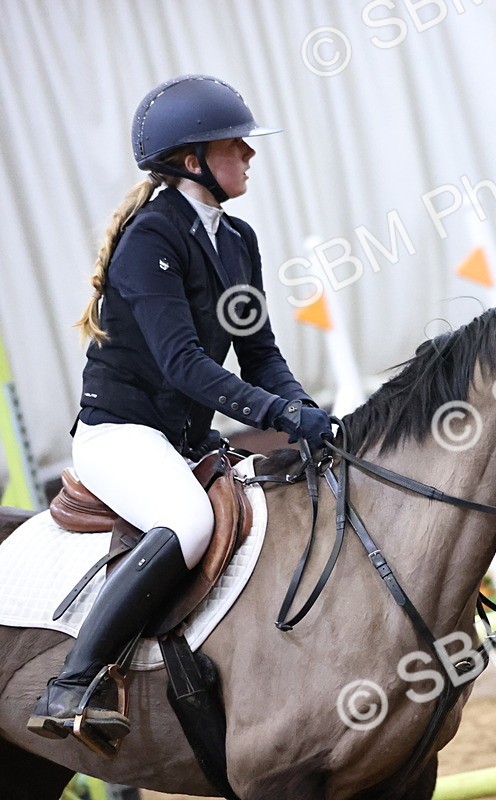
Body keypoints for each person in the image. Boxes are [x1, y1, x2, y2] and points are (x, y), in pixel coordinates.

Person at [27, 74, 332, 742]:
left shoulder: (237, 240)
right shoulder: (151, 240)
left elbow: (260, 355)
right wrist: (281, 419)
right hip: (120, 434)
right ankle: (73, 682)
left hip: (182, 440)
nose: (250, 156)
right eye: (236, 146)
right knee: (189, 521)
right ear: (193, 161)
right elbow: (184, 365)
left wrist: (306, 411)